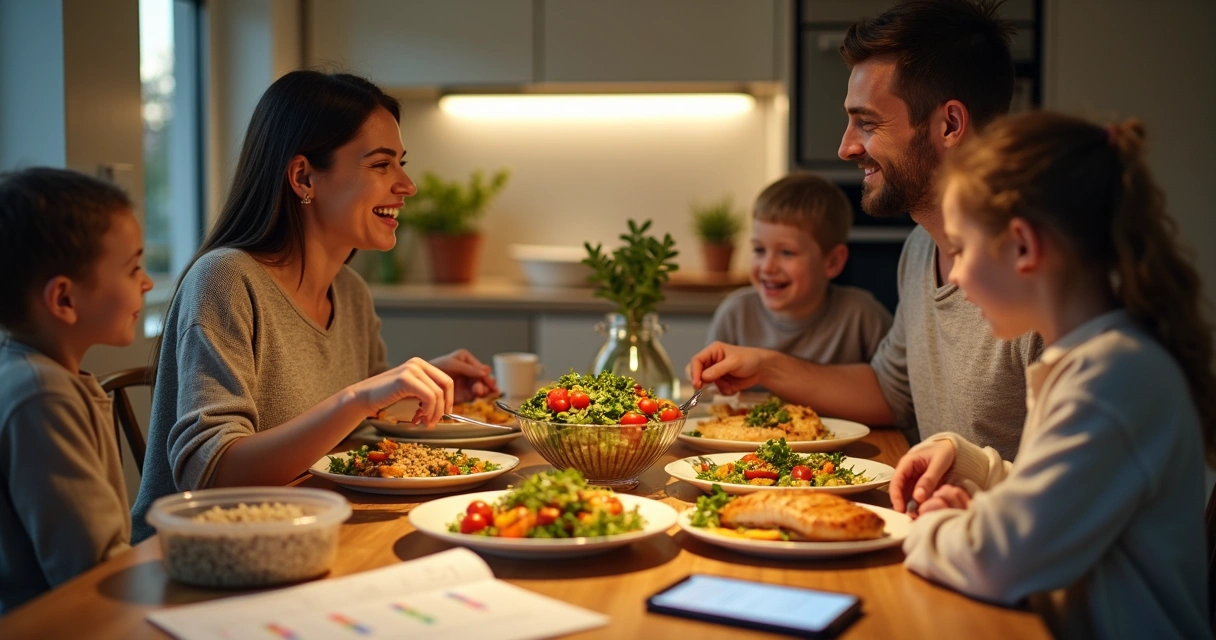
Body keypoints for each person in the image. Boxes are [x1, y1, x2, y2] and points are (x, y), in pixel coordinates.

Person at [130, 71, 497, 541]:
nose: (408, 185)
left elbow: (365, 429)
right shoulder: (225, 280)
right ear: (304, 176)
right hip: (195, 561)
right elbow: (213, 473)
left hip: (302, 534)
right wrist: (359, 396)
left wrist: (416, 389)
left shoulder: (350, 292)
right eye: (382, 165)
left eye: (400, 163)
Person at [889, 112, 1214, 637]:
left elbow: (1001, 559)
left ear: (1022, 246)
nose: (957, 274)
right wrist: (969, 463)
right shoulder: (1092, 361)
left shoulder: (1114, 378)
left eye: (961, 248)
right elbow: (1061, 495)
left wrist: (933, 527)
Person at [690, 0, 1042, 459]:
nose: (846, 147)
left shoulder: (1040, 272)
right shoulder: (920, 249)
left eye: (867, 122)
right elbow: (888, 392)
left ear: (950, 125)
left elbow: (1078, 491)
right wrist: (766, 366)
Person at [0, 168, 154, 613]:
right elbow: (93, 571)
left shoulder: (49, 378)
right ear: (64, 300)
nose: (145, 283)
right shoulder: (42, 395)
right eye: (133, 268)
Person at [706, 173, 892, 367]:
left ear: (833, 262)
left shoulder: (863, 315)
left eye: (786, 253)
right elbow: (710, 390)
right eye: (759, 250)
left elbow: (895, 389)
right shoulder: (735, 314)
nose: (767, 267)